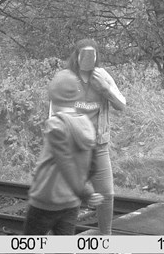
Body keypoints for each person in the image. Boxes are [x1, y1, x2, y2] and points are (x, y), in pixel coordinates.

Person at [48, 38, 126, 235]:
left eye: (93, 55)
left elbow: (122, 105)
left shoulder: (102, 76)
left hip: (98, 146)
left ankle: (105, 236)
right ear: (77, 56)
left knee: (106, 194)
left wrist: (105, 89)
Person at [24, 69, 104, 235]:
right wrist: (86, 190)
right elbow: (93, 164)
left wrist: (85, 192)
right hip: (71, 202)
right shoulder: (86, 124)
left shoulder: (55, 126)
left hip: (45, 200)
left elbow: (66, 163)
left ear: (53, 96)